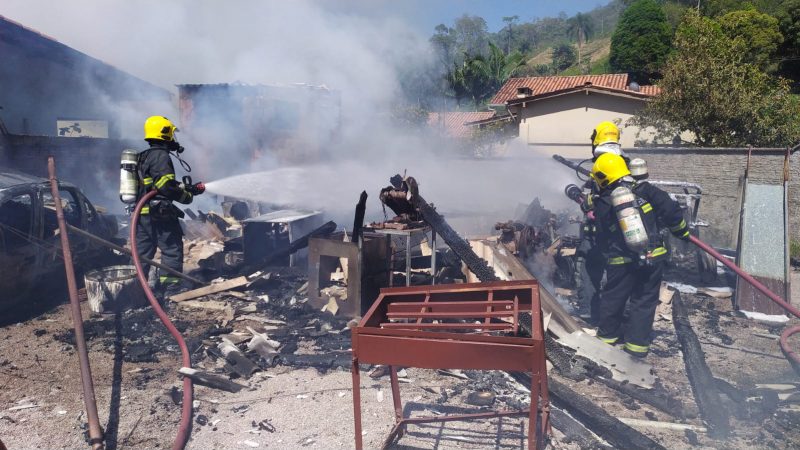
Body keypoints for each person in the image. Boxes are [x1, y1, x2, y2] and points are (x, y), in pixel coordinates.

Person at [590, 153, 689, 357]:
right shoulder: (646, 190)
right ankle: (636, 348)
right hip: (653, 257)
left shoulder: (605, 201)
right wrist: (682, 232)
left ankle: (607, 338)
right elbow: (671, 210)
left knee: (613, 299)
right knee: (644, 301)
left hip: (621, 261)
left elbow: (601, 233)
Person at [135, 115, 204, 297]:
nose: (174, 139)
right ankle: (170, 291)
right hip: (160, 213)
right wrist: (187, 196)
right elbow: (165, 186)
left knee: (141, 254)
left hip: (142, 214)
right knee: (172, 250)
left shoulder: (144, 156)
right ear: (165, 133)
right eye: (172, 134)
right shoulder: (161, 156)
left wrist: (186, 187)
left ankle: (136, 290)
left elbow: (155, 184)